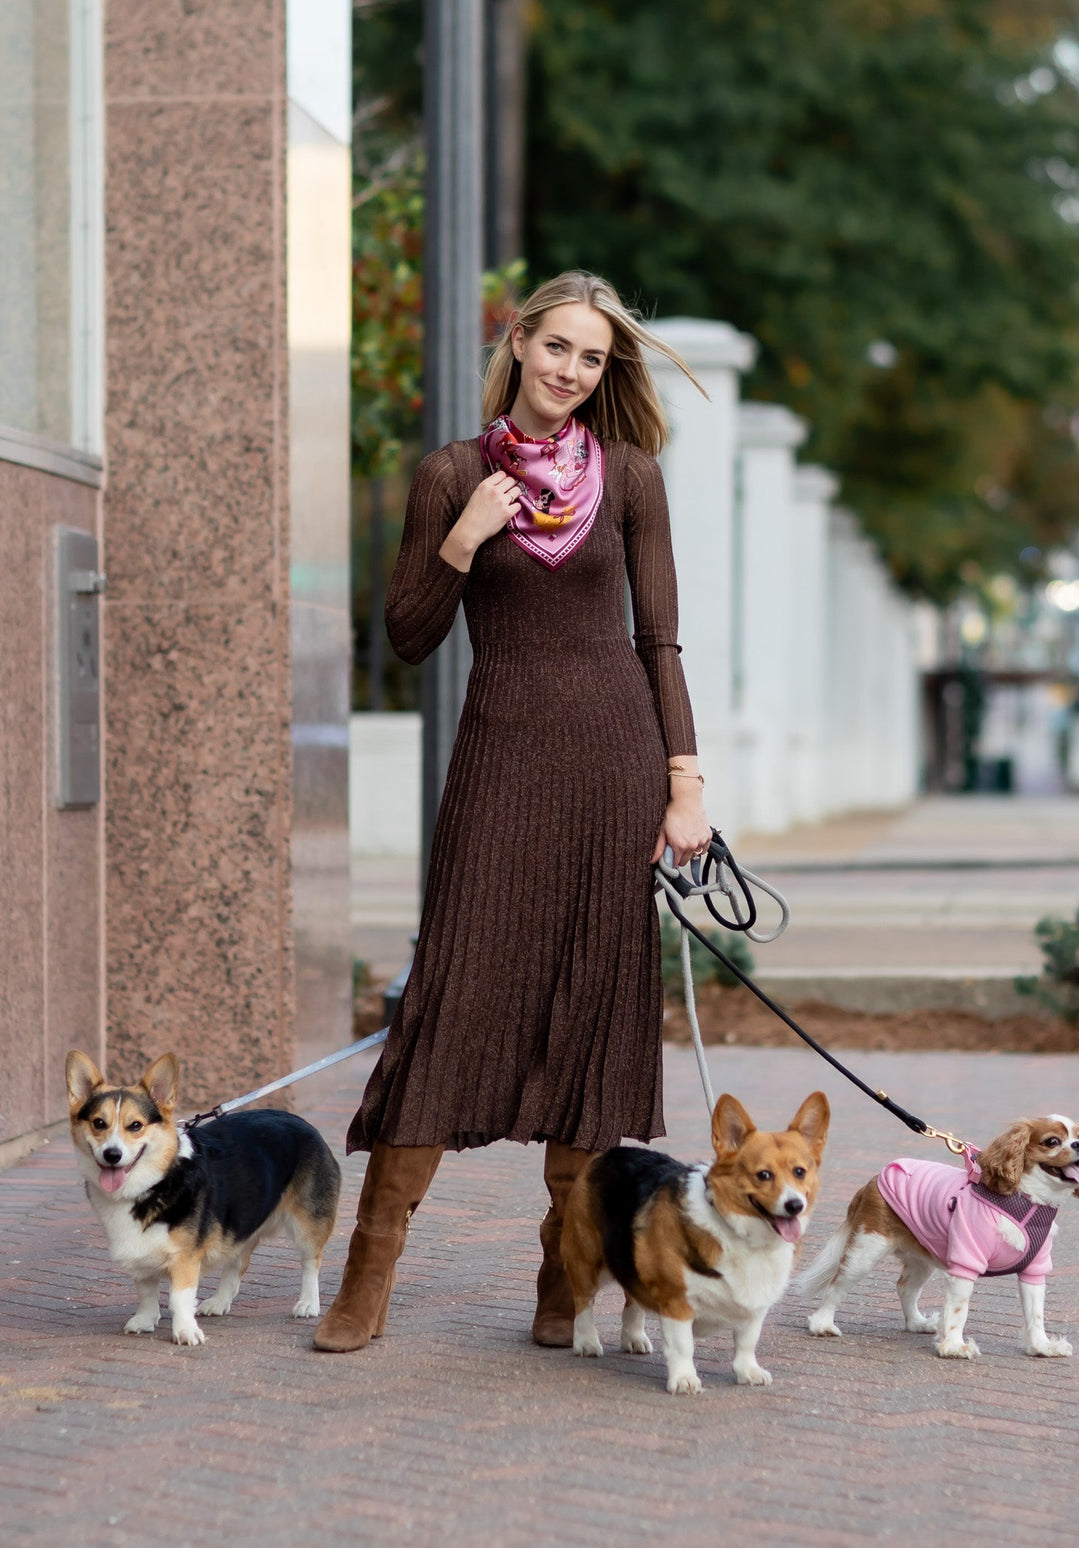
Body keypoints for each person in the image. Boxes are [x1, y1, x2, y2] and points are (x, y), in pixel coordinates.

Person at [314, 271, 710, 1354]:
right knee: (454, 993)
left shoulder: (629, 478)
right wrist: (463, 537)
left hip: (614, 763)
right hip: (499, 764)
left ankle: (562, 1264)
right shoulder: (452, 474)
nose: (572, 372)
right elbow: (405, 635)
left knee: (591, 1001)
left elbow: (659, 639)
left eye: (592, 359)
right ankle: (372, 1264)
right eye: (558, 349)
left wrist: (684, 783)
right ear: (520, 340)